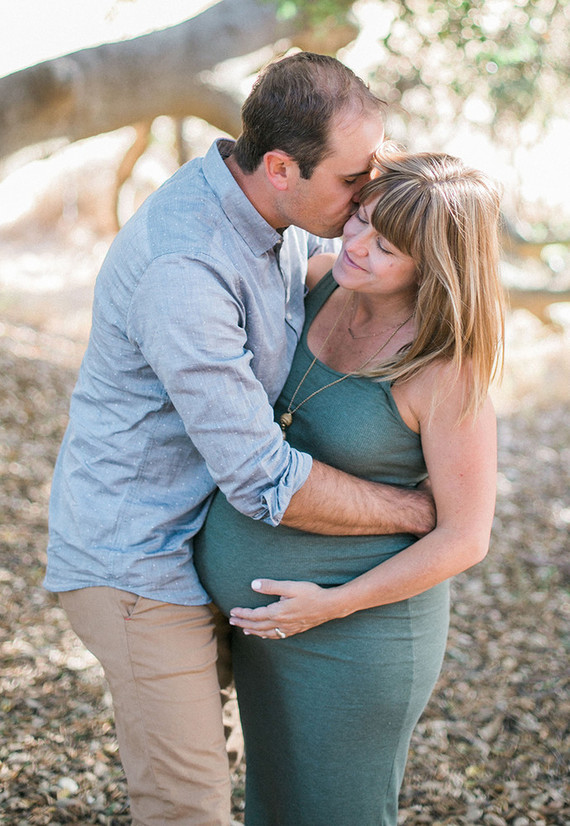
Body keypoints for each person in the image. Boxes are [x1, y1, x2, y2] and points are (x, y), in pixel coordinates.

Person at [44, 54, 435, 826]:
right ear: (283, 166)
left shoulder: (268, 208)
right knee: (187, 808)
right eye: (355, 178)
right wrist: (418, 513)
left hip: (195, 553)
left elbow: (333, 287)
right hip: (138, 566)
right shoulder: (186, 268)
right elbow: (264, 480)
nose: (368, 196)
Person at [194, 144, 505, 826]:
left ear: (436, 267)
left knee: (340, 812)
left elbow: (465, 538)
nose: (357, 244)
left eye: (387, 247)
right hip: (273, 626)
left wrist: (330, 605)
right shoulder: (323, 280)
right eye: (361, 219)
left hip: (358, 638)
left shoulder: (445, 371)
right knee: (274, 804)